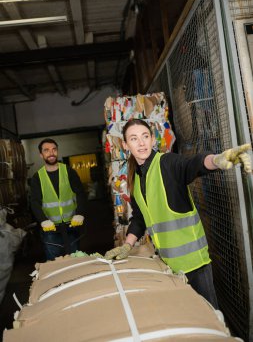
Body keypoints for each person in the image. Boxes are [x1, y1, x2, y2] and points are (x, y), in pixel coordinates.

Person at [104, 119, 252, 309]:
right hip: (169, 266)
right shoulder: (135, 177)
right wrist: (127, 245)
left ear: (152, 140)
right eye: (134, 139)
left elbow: (193, 164)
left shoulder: (168, 163)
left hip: (194, 265)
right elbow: (140, 218)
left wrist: (216, 160)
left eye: (145, 136)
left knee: (209, 317)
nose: (141, 143)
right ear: (125, 145)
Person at [30, 138, 86, 260]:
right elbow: (34, 202)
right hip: (50, 228)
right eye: (46, 150)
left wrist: (80, 213)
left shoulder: (69, 171)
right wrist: (43, 220)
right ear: (41, 155)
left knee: (76, 259)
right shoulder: (37, 177)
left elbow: (80, 193)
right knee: (54, 263)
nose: (51, 153)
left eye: (54, 149)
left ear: (57, 151)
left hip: (71, 224)